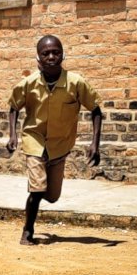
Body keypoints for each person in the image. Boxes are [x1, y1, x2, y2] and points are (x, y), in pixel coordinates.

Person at [6, 35, 102, 245]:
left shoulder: (76, 83)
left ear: (63, 55)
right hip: (35, 140)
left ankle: (36, 209)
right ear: (38, 58)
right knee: (38, 188)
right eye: (45, 53)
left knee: (52, 196)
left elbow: (95, 109)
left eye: (56, 52)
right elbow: (14, 106)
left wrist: (95, 143)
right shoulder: (29, 83)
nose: (51, 56)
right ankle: (28, 231)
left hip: (60, 144)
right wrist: (13, 135)